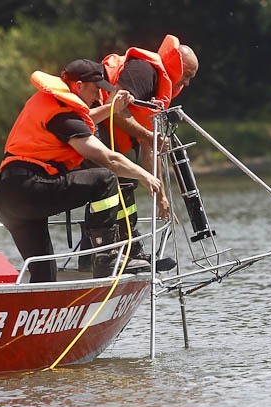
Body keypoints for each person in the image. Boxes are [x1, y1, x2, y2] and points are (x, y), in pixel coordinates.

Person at [0, 59, 167, 283]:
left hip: (8, 197)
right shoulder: (62, 115)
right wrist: (145, 175)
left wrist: (113, 108)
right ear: (79, 86)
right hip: (30, 189)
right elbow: (108, 158)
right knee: (105, 179)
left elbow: (82, 121)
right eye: (96, 91)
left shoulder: (50, 104)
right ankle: (105, 257)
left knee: (44, 275)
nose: (97, 97)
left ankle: (37, 315)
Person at [81, 35, 199, 271]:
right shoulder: (144, 71)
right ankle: (101, 258)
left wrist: (161, 197)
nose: (186, 83)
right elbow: (114, 108)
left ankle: (131, 251)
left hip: (109, 138)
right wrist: (149, 136)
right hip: (88, 128)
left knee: (127, 184)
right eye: (186, 75)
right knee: (109, 184)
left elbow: (149, 147)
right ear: (177, 64)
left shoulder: (159, 91)